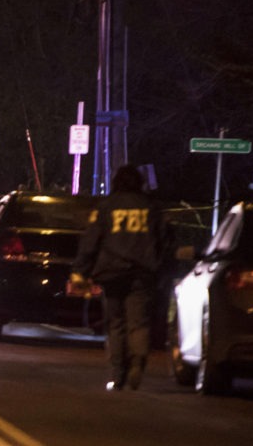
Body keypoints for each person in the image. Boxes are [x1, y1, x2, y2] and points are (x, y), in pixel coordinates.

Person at [72, 165, 165, 391]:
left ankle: (118, 373)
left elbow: (91, 241)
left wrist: (80, 270)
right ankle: (138, 360)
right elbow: (164, 241)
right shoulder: (151, 207)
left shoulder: (107, 207)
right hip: (142, 273)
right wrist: (162, 269)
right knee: (138, 321)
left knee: (116, 323)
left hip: (112, 273)